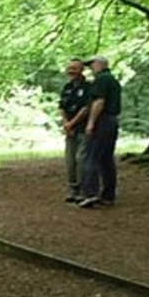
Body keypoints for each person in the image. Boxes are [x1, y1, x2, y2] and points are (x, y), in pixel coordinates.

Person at [78, 55, 122, 208]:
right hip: (112, 120)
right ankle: (108, 194)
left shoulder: (101, 79)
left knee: (91, 157)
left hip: (102, 121)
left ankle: (90, 193)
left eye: (91, 64)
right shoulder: (112, 80)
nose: (90, 67)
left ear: (99, 64)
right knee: (106, 158)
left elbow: (99, 102)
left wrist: (91, 123)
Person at [58, 58, 90, 202]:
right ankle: (73, 189)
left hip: (83, 128)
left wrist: (72, 123)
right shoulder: (67, 87)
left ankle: (84, 190)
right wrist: (66, 124)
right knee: (70, 161)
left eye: (75, 68)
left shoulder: (89, 87)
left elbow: (86, 108)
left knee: (81, 159)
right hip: (69, 130)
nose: (71, 71)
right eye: (69, 68)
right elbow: (62, 107)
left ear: (82, 70)